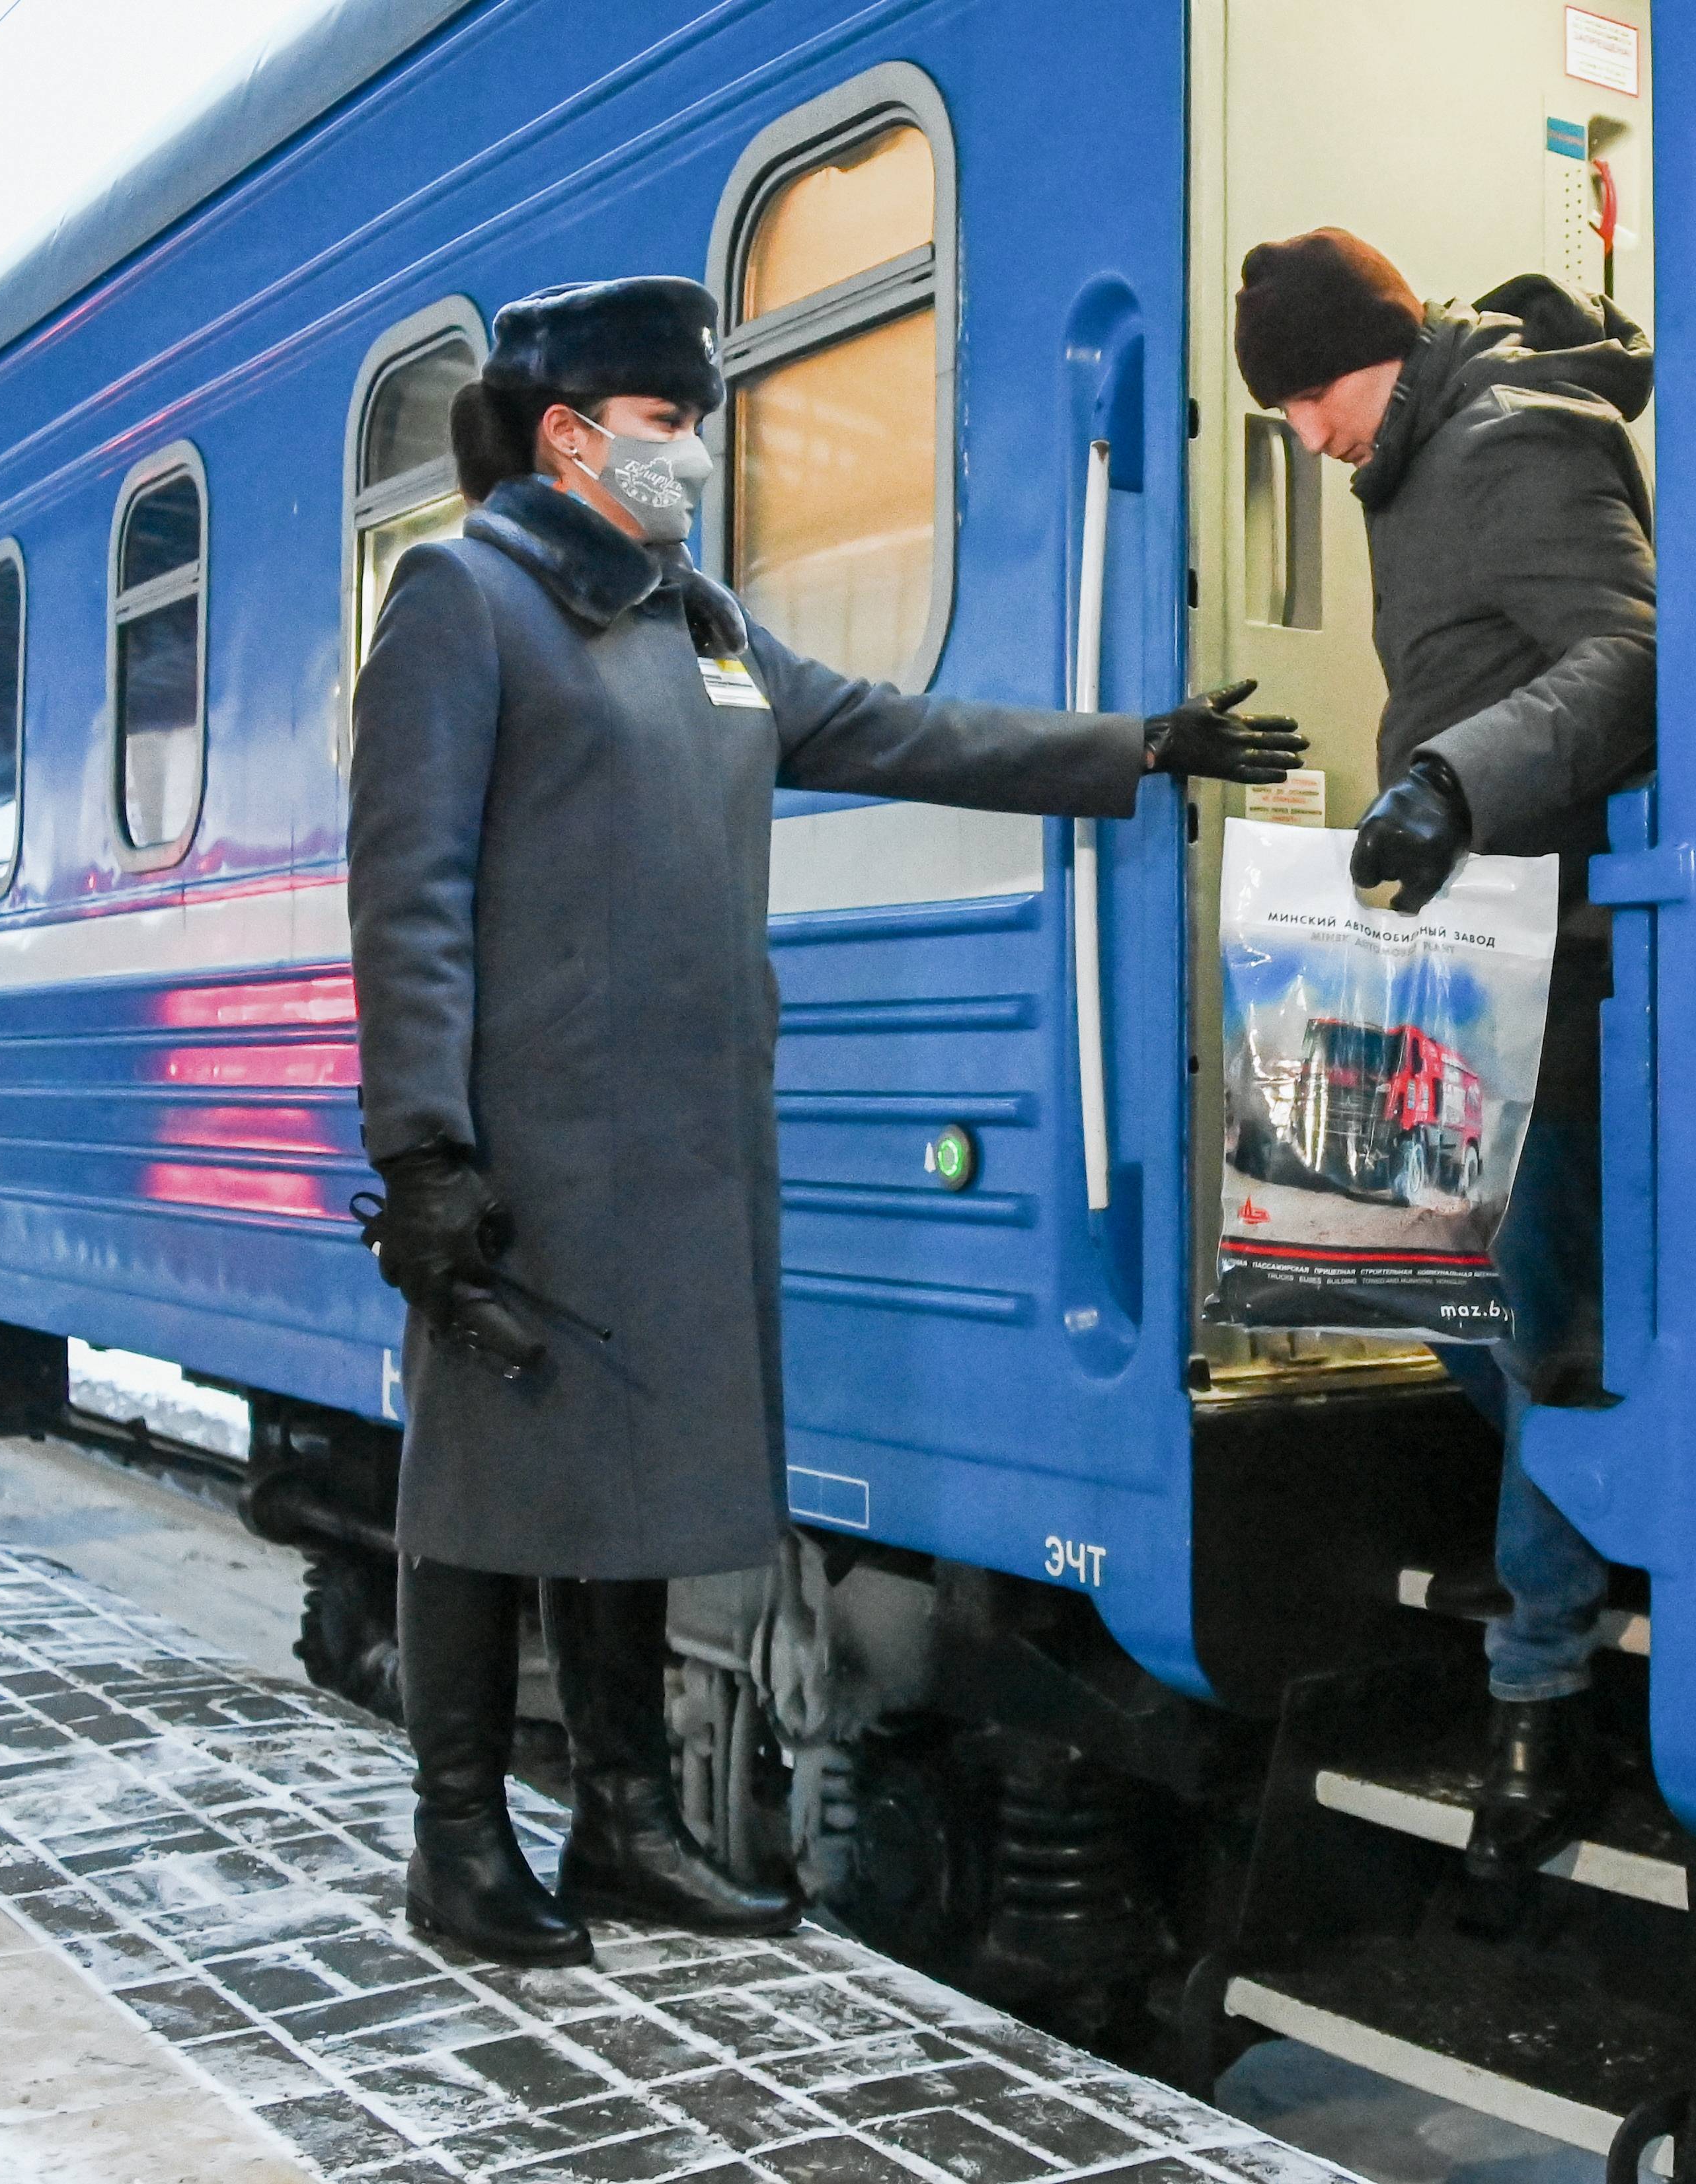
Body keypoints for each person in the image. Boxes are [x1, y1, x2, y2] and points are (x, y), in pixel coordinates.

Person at [350, 276, 1303, 1966]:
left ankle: (626, 1826)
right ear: (570, 435)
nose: (695, 457)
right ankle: (454, 1844)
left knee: (630, 1488)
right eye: (668, 427)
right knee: (483, 1502)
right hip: (529, 1146)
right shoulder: (462, 598)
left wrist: (1138, 744)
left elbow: (894, 728)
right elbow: (407, 890)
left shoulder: (696, 623)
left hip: (686, 1144)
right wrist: (423, 1149)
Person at [1234, 230, 1654, 1883]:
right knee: (1398, 1268)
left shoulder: (1513, 442)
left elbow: (1628, 657)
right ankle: (1582, 1533)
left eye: (1309, 397)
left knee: (1532, 1321)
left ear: (1380, 355)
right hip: (1466, 946)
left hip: (1554, 955)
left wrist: (1451, 783)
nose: (1308, 435)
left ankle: (1538, 1703)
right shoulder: (1416, 466)